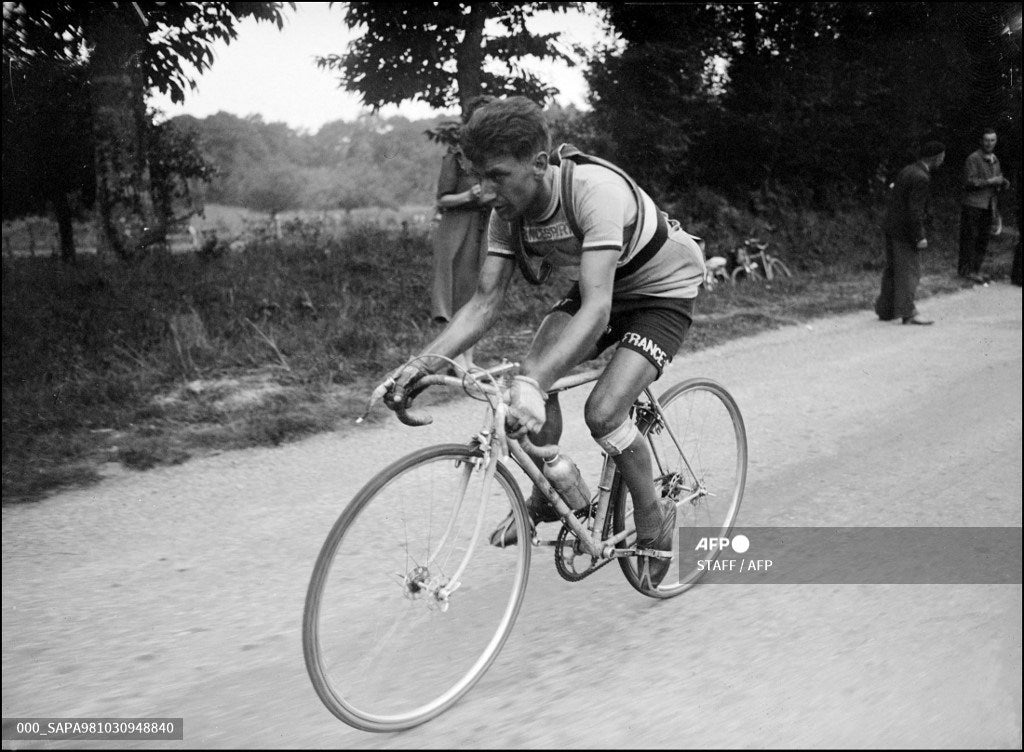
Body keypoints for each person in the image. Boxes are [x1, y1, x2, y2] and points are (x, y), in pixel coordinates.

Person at [384, 96, 706, 591]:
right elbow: (483, 304)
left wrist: (537, 380)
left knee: (603, 413)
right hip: (608, 286)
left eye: (495, 175)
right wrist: (418, 368)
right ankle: (557, 489)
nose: (482, 191)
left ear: (539, 163)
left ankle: (653, 510)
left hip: (660, 292)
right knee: (524, 391)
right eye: (476, 176)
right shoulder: (508, 213)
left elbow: (597, 310)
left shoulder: (592, 191)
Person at [429, 95, 495, 373]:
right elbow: (442, 199)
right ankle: (455, 359)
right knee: (458, 293)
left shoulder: (495, 154)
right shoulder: (456, 154)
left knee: (479, 293)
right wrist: (468, 194)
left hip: (486, 227)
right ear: (469, 122)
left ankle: (468, 358)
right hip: (458, 230)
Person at [875, 141, 946, 326]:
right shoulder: (922, 177)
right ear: (937, 157)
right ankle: (908, 312)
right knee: (909, 272)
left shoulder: (907, 170)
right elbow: (915, 210)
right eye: (942, 156)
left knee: (892, 270)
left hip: (891, 227)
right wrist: (919, 235)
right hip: (905, 232)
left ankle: (886, 309)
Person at [958, 127, 1011, 283]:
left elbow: (996, 181)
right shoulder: (973, 158)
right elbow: (969, 181)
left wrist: (1003, 182)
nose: (989, 143)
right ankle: (965, 271)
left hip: (988, 204)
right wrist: (990, 181)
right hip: (973, 204)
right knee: (970, 238)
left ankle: (976, 270)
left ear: (996, 141)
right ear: (981, 141)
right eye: (986, 140)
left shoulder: (995, 159)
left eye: (992, 140)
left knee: (983, 238)